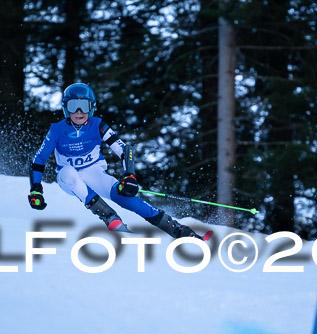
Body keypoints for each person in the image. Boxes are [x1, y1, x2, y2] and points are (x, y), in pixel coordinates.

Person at [27, 82, 205, 239]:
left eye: (84, 106)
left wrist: (129, 176)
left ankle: (178, 230)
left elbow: (124, 149)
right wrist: (36, 189)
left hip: (94, 174)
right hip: (69, 180)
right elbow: (40, 159)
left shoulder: (99, 125)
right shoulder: (57, 130)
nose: (79, 112)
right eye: (74, 106)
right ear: (66, 108)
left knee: (126, 197)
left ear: (92, 107)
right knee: (67, 173)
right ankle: (110, 218)